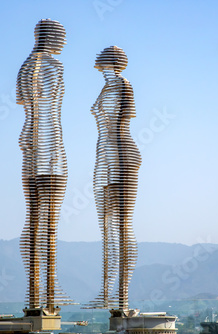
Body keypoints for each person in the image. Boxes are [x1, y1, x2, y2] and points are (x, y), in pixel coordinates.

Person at [16, 19, 70, 312]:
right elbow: (52, 112)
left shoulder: (24, 67)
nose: (63, 43)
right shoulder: (54, 67)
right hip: (50, 150)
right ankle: (50, 295)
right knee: (49, 226)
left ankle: (38, 295)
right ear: (52, 37)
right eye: (62, 37)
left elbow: (25, 105)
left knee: (32, 219)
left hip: (28, 146)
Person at [90, 46, 141, 310]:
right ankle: (107, 291)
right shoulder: (107, 87)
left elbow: (122, 123)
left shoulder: (123, 85)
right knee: (107, 225)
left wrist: (112, 162)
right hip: (106, 157)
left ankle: (122, 295)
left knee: (122, 225)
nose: (97, 60)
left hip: (122, 155)